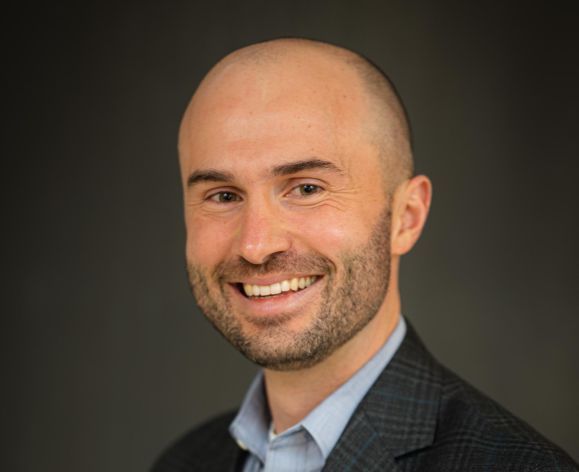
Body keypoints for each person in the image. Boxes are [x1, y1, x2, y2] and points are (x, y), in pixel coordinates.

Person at [152, 38, 577, 471]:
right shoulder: (184, 462)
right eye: (223, 195)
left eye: (307, 189)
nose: (256, 245)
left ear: (406, 217)